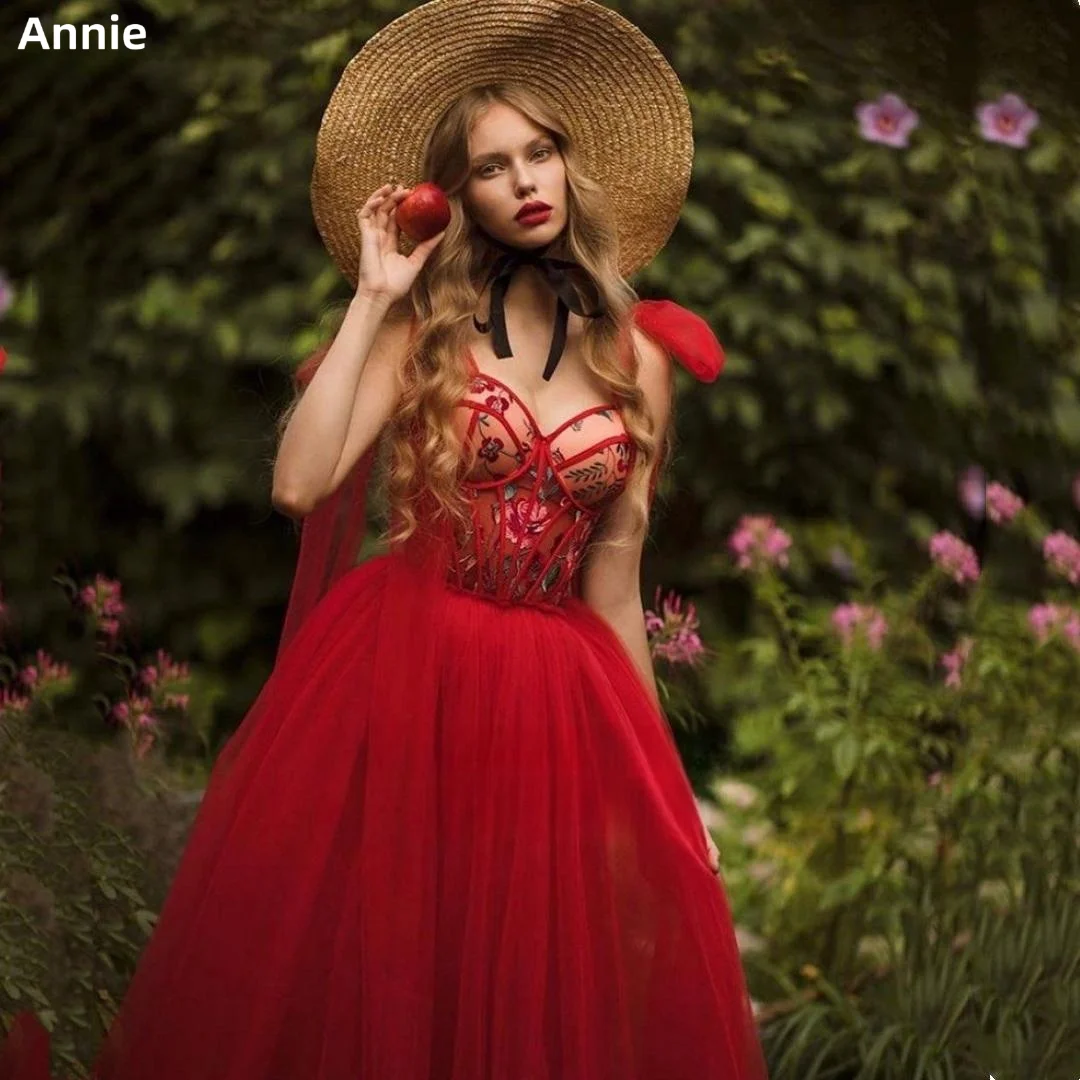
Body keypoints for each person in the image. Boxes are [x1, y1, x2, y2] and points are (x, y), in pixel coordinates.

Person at [0, 1, 769, 1077]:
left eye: (540, 152)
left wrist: (663, 793)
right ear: (458, 197)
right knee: (389, 982)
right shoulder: (424, 332)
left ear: (570, 164)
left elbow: (615, 590)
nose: (525, 180)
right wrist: (371, 297)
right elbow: (300, 481)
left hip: (554, 705)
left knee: (521, 994)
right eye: (493, 166)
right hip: (409, 676)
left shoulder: (635, 360)